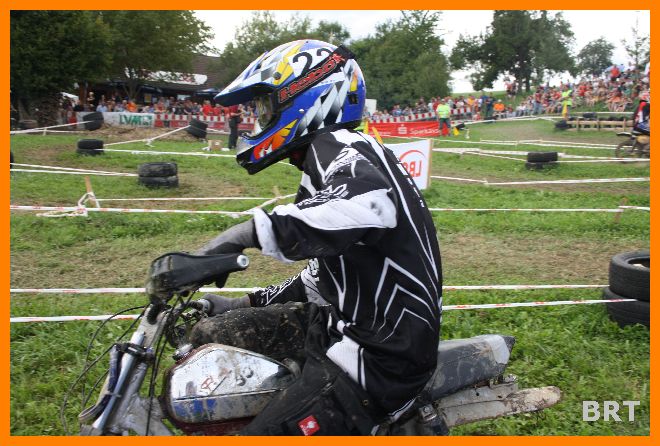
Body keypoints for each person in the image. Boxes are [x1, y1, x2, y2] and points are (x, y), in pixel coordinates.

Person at [146, 39, 442, 436]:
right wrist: (242, 303)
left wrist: (240, 236)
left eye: (266, 107)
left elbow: (367, 204)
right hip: (338, 325)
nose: (260, 119)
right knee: (210, 335)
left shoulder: (344, 145)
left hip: (380, 356)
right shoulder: (324, 164)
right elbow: (321, 278)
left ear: (308, 98)